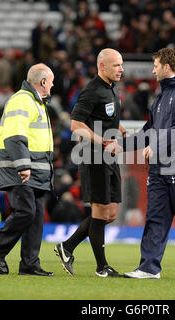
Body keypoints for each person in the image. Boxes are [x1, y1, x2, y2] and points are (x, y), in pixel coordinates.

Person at [123, 48, 175, 280]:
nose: (153, 70)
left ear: (166, 67)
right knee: (155, 217)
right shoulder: (160, 96)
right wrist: (122, 146)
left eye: (156, 66)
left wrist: (157, 145)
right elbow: (149, 130)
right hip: (159, 167)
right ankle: (149, 268)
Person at [54, 48, 125, 278]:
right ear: (102, 66)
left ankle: (67, 246)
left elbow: (108, 119)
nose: (121, 69)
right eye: (116, 65)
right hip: (93, 155)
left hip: (109, 155)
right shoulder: (91, 91)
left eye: (121, 65)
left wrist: (123, 132)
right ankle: (101, 267)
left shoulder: (112, 89)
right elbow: (76, 125)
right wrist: (102, 140)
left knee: (111, 213)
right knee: (100, 210)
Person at [0, 63, 55, 277]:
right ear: (43, 82)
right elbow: (15, 137)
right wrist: (23, 166)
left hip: (36, 170)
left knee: (35, 217)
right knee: (26, 211)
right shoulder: (23, 100)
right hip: (21, 168)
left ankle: (29, 264)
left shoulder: (35, 102)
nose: (52, 85)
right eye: (51, 81)